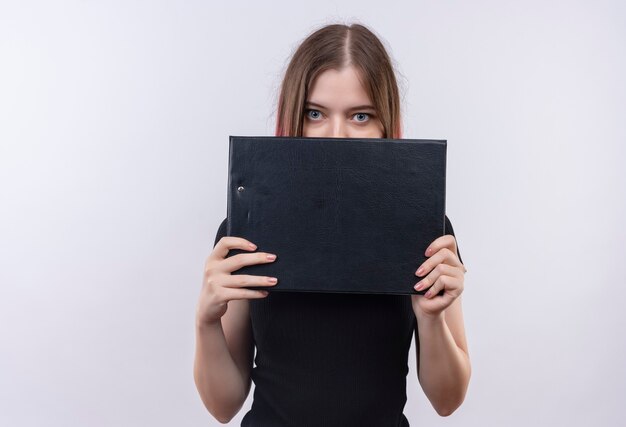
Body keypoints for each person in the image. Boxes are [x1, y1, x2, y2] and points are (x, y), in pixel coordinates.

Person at [194, 23, 471, 426]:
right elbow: (224, 406)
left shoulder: (423, 227)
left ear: (384, 125)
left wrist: (431, 319)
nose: (336, 135)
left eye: (360, 115)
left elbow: (447, 400)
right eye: (315, 113)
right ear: (293, 117)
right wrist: (205, 322)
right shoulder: (249, 225)